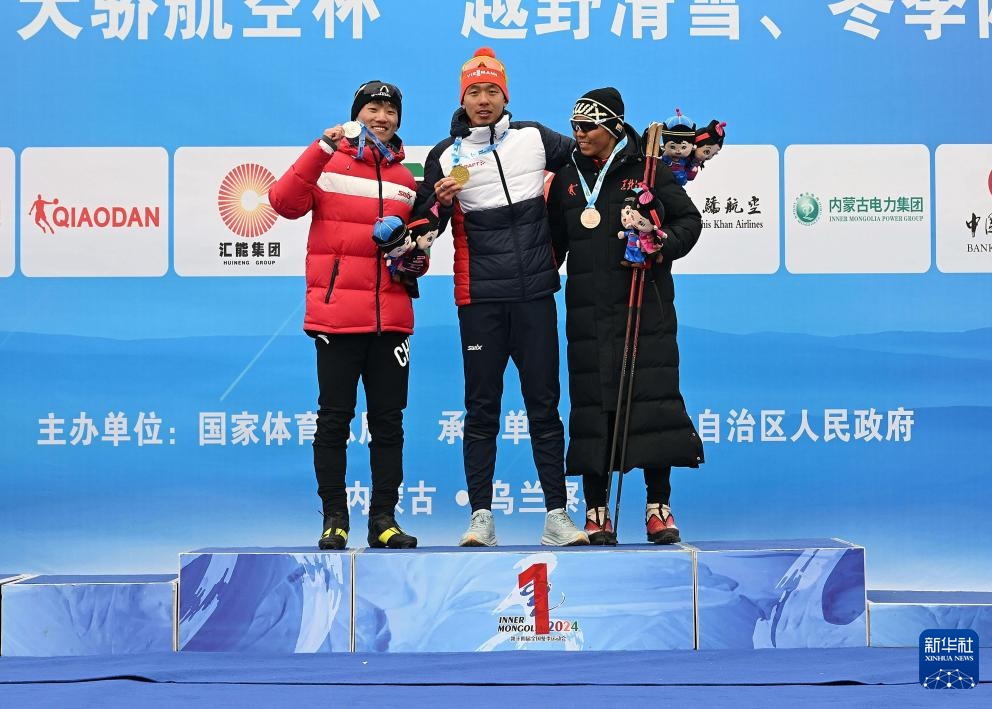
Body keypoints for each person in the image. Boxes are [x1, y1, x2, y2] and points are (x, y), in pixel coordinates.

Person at [414, 47, 587, 547]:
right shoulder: (445, 156)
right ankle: (481, 518)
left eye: (492, 90)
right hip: (480, 299)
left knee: (544, 407)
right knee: (481, 409)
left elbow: (593, 160)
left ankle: (557, 516)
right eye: (474, 92)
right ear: (463, 99)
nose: (484, 100)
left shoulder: (536, 138)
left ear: (505, 96)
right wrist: (436, 205)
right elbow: (425, 225)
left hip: (535, 294)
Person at [269, 80, 430, 550]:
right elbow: (282, 203)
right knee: (334, 421)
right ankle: (335, 519)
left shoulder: (406, 180)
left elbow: (412, 250)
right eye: (372, 108)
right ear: (356, 114)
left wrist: (414, 257)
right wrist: (321, 147)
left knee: (389, 424)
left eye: (390, 111)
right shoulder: (327, 163)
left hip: (391, 319)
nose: (382, 117)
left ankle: (384, 520)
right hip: (337, 318)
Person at [547, 87, 705, 545]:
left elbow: (688, 221)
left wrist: (658, 240)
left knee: (652, 404)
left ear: (614, 127)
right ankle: (596, 509)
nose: (579, 135)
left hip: (645, 307)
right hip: (587, 314)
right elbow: (552, 245)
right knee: (594, 409)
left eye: (588, 127)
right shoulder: (566, 178)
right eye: (575, 127)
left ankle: (658, 506)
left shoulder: (649, 170)